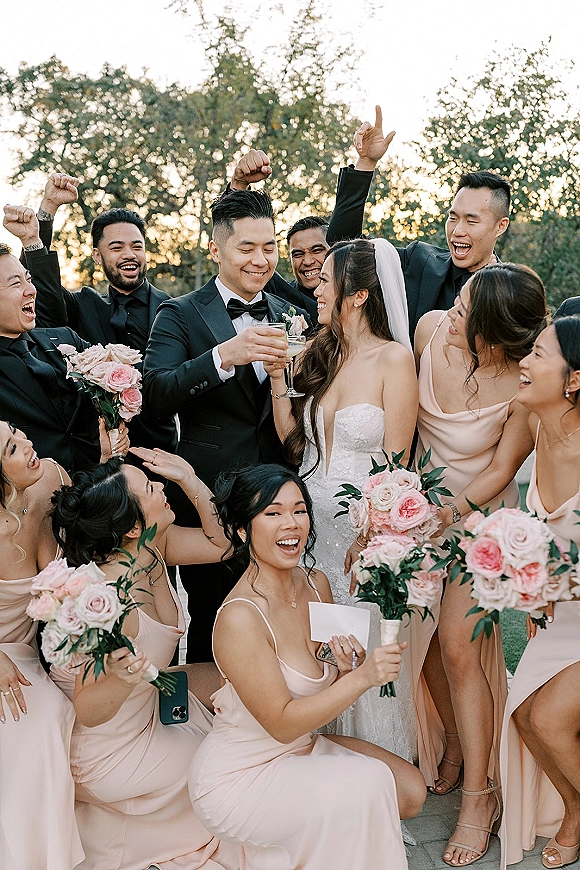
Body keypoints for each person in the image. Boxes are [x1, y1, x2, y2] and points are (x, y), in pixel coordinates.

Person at [189, 464, 426, 870]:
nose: (292, 523)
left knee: (409, 789)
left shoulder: (316, 583)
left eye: (299, 510)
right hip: (241, 775)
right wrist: (365, 679)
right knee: (370, 789)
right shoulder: (240, 617)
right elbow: (281, 723)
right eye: (273, 512)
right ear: (243, 530)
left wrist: (347, 665)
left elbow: (325, 668)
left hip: (300, 749)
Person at [413, 263, 548, 865]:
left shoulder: (523, 383)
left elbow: (499, 471)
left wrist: (447, 513)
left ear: (493, 337)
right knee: (414, 645)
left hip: (481, 521)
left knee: (458, 647)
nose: (452, 316)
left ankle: (478, 796)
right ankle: (456, 743)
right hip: (416, 508)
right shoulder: (428, 331)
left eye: (466, 313)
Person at [49, 448, 241, 870]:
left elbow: (223, 543)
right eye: (152, 488)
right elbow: (89, 708)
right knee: (227, 764)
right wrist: (120, 678)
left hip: (149, 708)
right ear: (133, 525)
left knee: (239, 683)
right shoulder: (102, 601)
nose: (161, 487)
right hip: (109, 748)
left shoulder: (152, 547)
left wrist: (189, 478)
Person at [266, 236, 419, 761]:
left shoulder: (395, 361)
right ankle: (320, 764)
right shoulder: (318, 352)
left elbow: (397, 468)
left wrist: (371, 537)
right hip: (307, 527)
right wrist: (277, 382)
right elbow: (294, 443)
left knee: (365, 644)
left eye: (326, 282)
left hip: (360, 533)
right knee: (322, 647)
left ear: (356, 295)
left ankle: (377, 775)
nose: (315, 289)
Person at [143, 187, 309, 662]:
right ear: (216, 249)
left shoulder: (291, 315)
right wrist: (221, 357)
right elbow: (153, 394)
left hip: (282, 497)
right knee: (215, 624)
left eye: (269, 246)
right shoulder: (180, 313)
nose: (262, 260)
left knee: (284, 613)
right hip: (209, 500)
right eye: (247, 247)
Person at [4, 176, 177, 453]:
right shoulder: (82, 304)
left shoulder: (173, 310)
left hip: (161, 453)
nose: (129, 254)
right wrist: (45, 214)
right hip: (94, 456)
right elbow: (40, 292)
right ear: (97, 256)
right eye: (117, 247)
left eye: (137, 246)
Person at [499, 316, 580, 870]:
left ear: (573, 380)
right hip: (565, 611)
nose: (523, 362)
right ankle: (576, 807)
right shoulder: (538, 427)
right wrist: (534, 590)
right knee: (524, 718)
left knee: (547, 719)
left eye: (538, 355)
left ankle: (575, 816)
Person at [329, 106, 511, 336]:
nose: (457, 231)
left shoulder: (512, 293)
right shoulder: (419, 262)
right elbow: (343, 248)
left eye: (471, 221)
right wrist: (365, 163)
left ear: (500, 226)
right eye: (453, 218)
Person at [0, 421, 83, 869]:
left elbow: (91, 523)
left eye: (17, 432)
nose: (28, 444)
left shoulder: (50, 476)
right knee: (39, 719)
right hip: (5, 656)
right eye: (12, 448)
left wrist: (108, 457)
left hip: (41, 650)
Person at [0, 242, 120, 473]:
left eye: (28, 279)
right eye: (16, 283)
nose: (31, 290)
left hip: (105, 487)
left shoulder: (65, 338)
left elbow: (119, 384)